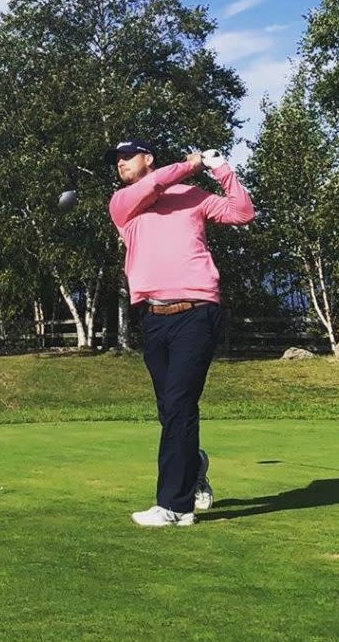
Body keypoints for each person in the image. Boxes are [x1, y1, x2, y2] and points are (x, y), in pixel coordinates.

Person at [105, 138, 255, 527]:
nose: (121, 164)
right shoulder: (124, 204)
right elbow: (154, 186)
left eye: (127, 157)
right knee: (170, 411)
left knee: (178, 405)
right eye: (117, 160)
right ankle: (195, 465)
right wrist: (190, 163)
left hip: (198, 312)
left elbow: (242, 213)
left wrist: (220, 168)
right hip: (154, 318)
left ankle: (174, 505)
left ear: (147, 158)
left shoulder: (192, 196)